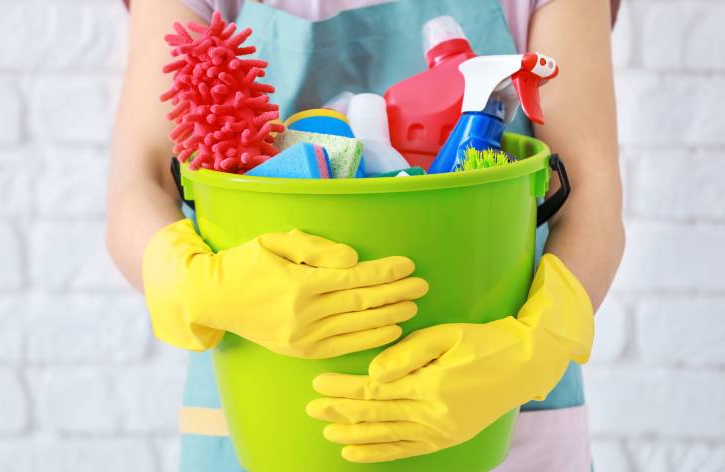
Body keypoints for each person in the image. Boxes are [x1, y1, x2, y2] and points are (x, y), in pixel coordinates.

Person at [106, 0, 624, 470]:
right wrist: (198, 285)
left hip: (497, 405)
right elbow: (142, 180)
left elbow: (589, 194)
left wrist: (540, 342)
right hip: (267, 404)